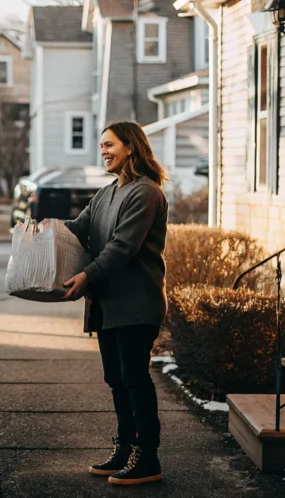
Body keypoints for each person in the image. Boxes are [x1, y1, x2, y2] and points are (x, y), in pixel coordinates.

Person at [62, 120, 170, 487]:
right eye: (102, 145)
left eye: (110, 145)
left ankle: (148, 457)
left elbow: (122, 246)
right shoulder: (108, 192)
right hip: (107, 304)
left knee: (135, 379)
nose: (104, 151)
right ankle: (126, 448)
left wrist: (87, 275)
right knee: (116, 380)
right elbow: (78, 229)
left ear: (131, 147)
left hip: (136, 302)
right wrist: (41, 231)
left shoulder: (145, 193)